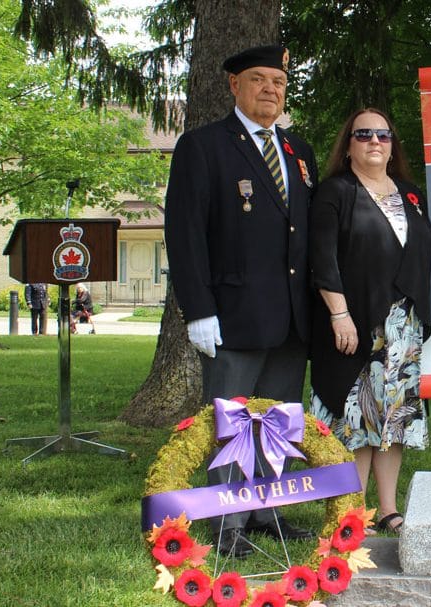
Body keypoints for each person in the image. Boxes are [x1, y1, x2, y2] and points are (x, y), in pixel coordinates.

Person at [164, 44, 319, 557]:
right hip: (231, 317)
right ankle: (227, 526)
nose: (270, 89)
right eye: (258, 79)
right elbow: (185, 234)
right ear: (234, 85)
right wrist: (199, 309)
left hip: (292, 319)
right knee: (233, 424)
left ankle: (267, 514)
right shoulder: (203, 146)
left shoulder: (298, 150)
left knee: (277, 423)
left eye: (278, 81)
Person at [309, 108, 431, 534]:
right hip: (356, 325)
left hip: (404, 329)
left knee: (394, 422)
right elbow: (321, 259)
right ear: (348, 146)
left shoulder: (411, 194)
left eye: (383, 134)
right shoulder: (335, 192)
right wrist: (338, 314)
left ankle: (387, 509)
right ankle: (351, 512)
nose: (375, 142)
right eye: (364, 135)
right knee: (358, 423)